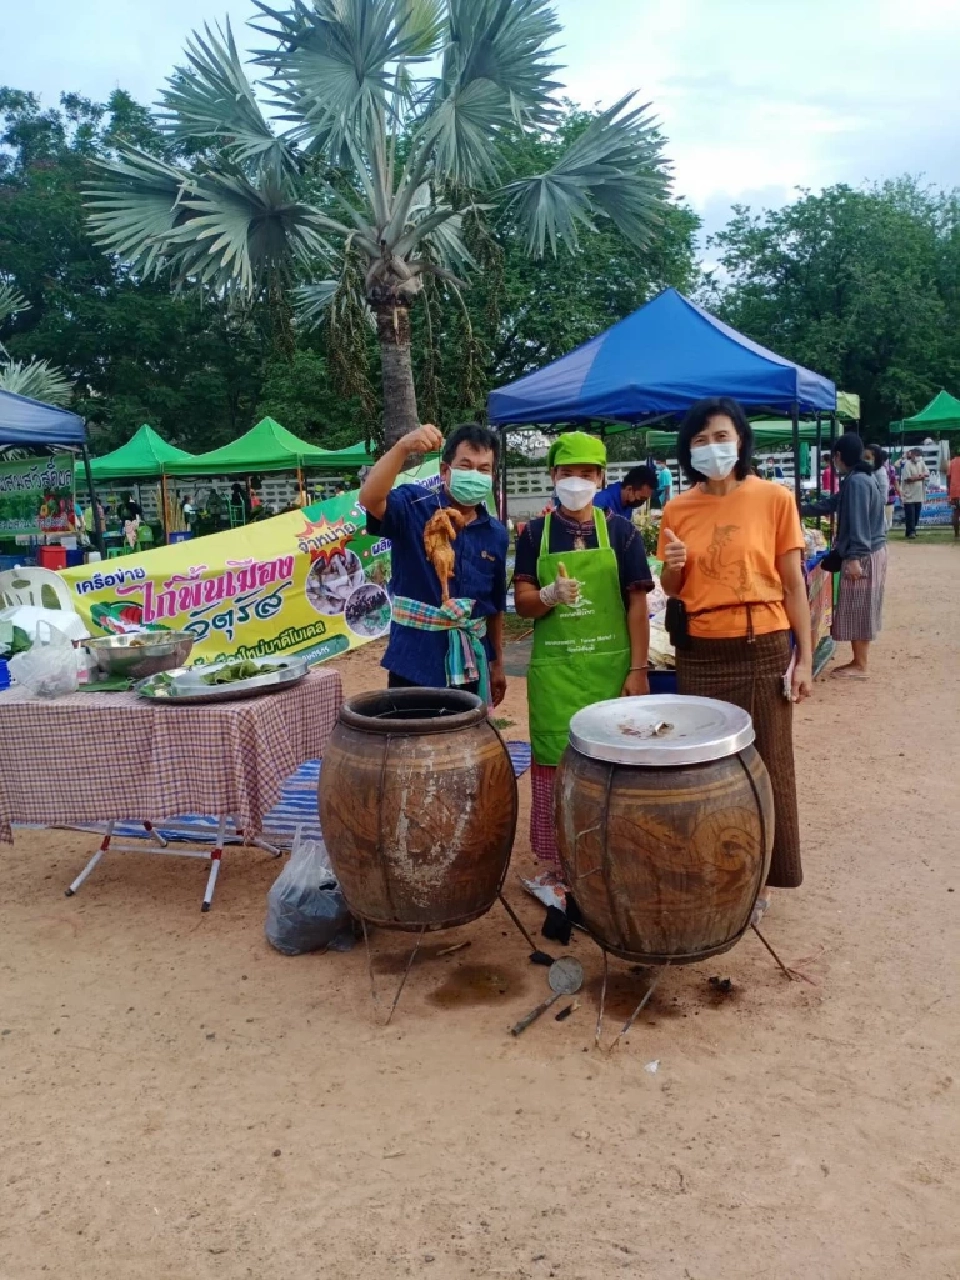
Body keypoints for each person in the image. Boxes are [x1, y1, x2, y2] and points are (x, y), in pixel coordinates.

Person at [657, 397, 813, 895]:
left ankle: (766, 879)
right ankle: (715, 871)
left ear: (740, 439)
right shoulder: (678, 508)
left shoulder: (774, 499)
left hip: (762, 646)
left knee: (770, 764)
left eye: (721, 436)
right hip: (700, 652)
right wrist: (675, 562)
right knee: (705, 770)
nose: (712, 447)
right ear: (688, 451)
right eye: (700, 440)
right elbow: (673, 587)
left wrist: (804, 658)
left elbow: (793, 584)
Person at [514, 432, 654, 870]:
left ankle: (611, 852)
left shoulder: (622, 532)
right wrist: (550, 595)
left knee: (613, 763)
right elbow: (523, 602)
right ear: (552, 476)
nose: (577, 481)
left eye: (587, 473)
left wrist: (638, 668)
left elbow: (637, 603)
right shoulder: (534, 535)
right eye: (567, 473)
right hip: (557, 676)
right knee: (557, 762)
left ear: (600, 477)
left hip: (610, 672)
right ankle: (562, 862)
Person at [360, 422, 508, 706]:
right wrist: (403, 447)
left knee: (463, 743)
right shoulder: (413, 505)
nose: (475, 474)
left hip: (470, 662)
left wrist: (498, 663)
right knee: (410, 741)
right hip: (414, 660)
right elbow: (369, 498)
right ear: (444, 470)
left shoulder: (496, 534)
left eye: (484, 469)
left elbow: (495, 605)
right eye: (466, 465)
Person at [805, 433, 886, 678]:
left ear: (839, 456)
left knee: (860, 608)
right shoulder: (858, 478)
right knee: (860, 607)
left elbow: (859, 522)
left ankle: (860, 665)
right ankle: (858, 661)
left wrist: (853, 558)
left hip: (863, 553)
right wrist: (794, 506)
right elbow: (831, 504)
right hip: (866, 550)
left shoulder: (858, 482)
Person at [593, 464, 659, 520]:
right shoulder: (600, 503)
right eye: (642, 498)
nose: (642, 503)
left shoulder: (627, 505)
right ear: (629, 489)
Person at [900, 448, 928, 540]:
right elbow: (908, 478)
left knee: (916, 515)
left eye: (918, 455)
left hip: (919, 494)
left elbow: (927, 473)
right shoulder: (907, 465)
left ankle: (910, 531)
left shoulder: (921, 463)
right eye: (916, 455)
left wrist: (919, 476)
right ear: (912, 455)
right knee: (910, 515)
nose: (917, 457)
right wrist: (920, 477)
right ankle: (911, 531)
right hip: (909, 495)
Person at [948, 452, 960, 540]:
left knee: (956, 513)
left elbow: (948, 476)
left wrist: (949, 491)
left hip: (954, 492)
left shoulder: (951, 463)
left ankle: (956, 534)